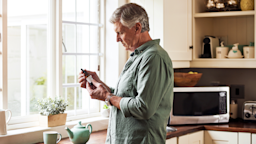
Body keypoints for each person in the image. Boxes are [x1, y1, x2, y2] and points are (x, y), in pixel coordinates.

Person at [78, 3, 174, 144]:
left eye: (120, 32)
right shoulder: (137, 57)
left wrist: (107, 97)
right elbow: (126, 97)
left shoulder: (153, 58)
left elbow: (143, 108)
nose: (117, 39)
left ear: (137, 27)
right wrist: (100, 85)